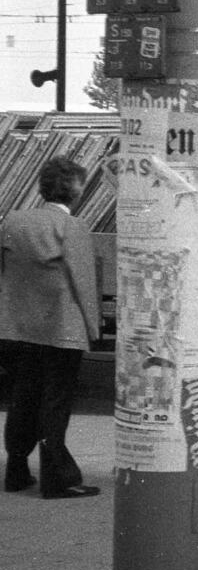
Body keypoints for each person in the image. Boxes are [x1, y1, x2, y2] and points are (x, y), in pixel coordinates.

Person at [0, 157, 102, 499]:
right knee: (55, 403)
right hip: (62, 328)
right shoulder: (73, 227)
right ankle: (57, 479)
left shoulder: (13, 221)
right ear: (75, 190)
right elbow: (83, 282)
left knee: (23, 397)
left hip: (17, 326)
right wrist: (93, 328)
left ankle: (16, 470)